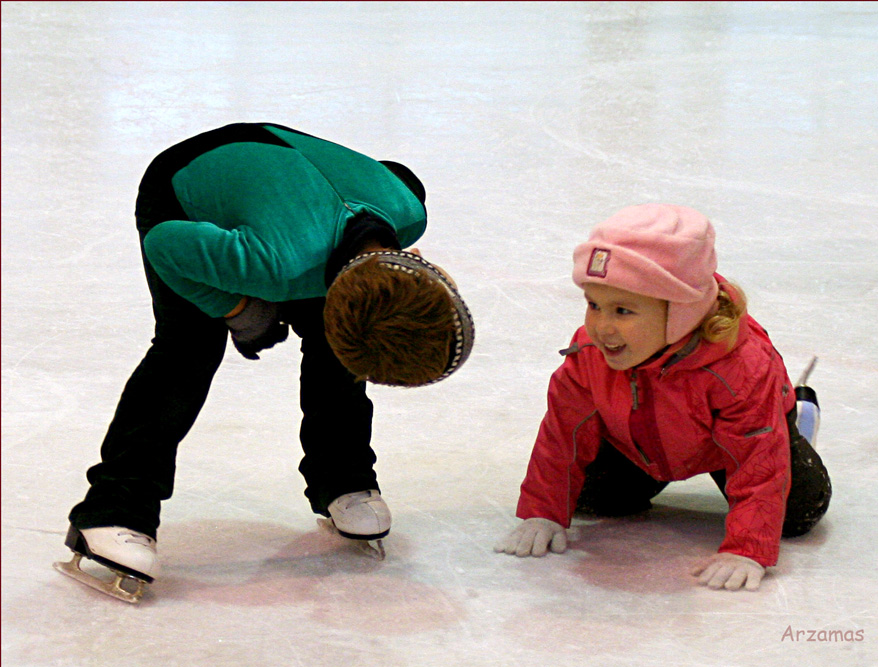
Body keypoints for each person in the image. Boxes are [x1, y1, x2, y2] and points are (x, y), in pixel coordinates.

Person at [55, 122, 474, 602]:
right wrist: (236, 308)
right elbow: (166, 244)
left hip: (287, 184)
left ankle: (343, 479)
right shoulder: (271, 265)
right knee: (188, 350)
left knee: (338, 352)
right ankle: (111, 511)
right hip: (184, 184)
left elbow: (397, 174)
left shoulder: (407, 209)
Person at [494, 204, 830, 591]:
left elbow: (758, 461)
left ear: (680, 312)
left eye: (623, 310)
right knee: (598, 500)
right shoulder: (590, 354)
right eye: (594, 305)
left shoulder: (740, 367)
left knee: (798, 514)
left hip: (727, 448)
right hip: (638, 446)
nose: (602, 326)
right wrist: (543, 512)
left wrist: (747, 548)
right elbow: (562, 435)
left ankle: (798, 425)